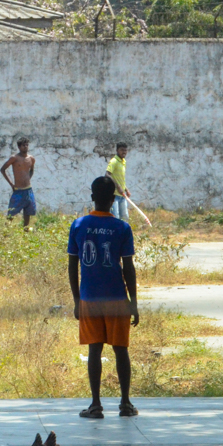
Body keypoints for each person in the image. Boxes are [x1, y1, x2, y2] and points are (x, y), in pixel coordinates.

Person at [68, 176, 138, 419]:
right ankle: (125, 404)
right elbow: (128, 268)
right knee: (121, 351)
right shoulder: (122, 227)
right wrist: (134, 302)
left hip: (90, 298)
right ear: (112, 200)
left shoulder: (78, 225)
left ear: (92, 197)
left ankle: (96, 405)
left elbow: (72, 266)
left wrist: (77, 301)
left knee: (94, 350)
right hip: (117, 298)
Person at [0, 138, 36, 230]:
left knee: (28, 213)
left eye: (27, 145)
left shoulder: (31, 158)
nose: (25, 147)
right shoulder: (14, 158)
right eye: (23, 145)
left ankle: (26, 232)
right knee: (11, 213)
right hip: (18, 191)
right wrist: (11, 184)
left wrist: (28, 178)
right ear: (19, 147)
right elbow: (2, 169)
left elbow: (32, 170)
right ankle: (6, 232)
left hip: (28, 190)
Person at [104, 143, 131, 221]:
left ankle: (123, 233)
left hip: (122, 195)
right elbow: (107, 175)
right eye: (122, 150)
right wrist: (117, 186)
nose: (124, 152)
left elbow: (120, 179)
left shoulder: (123, 162)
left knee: (125, 217)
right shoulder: (114, 161)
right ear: (117, 150)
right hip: (114, 195)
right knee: (115, 217)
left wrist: (126, 190)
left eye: (125, 150)